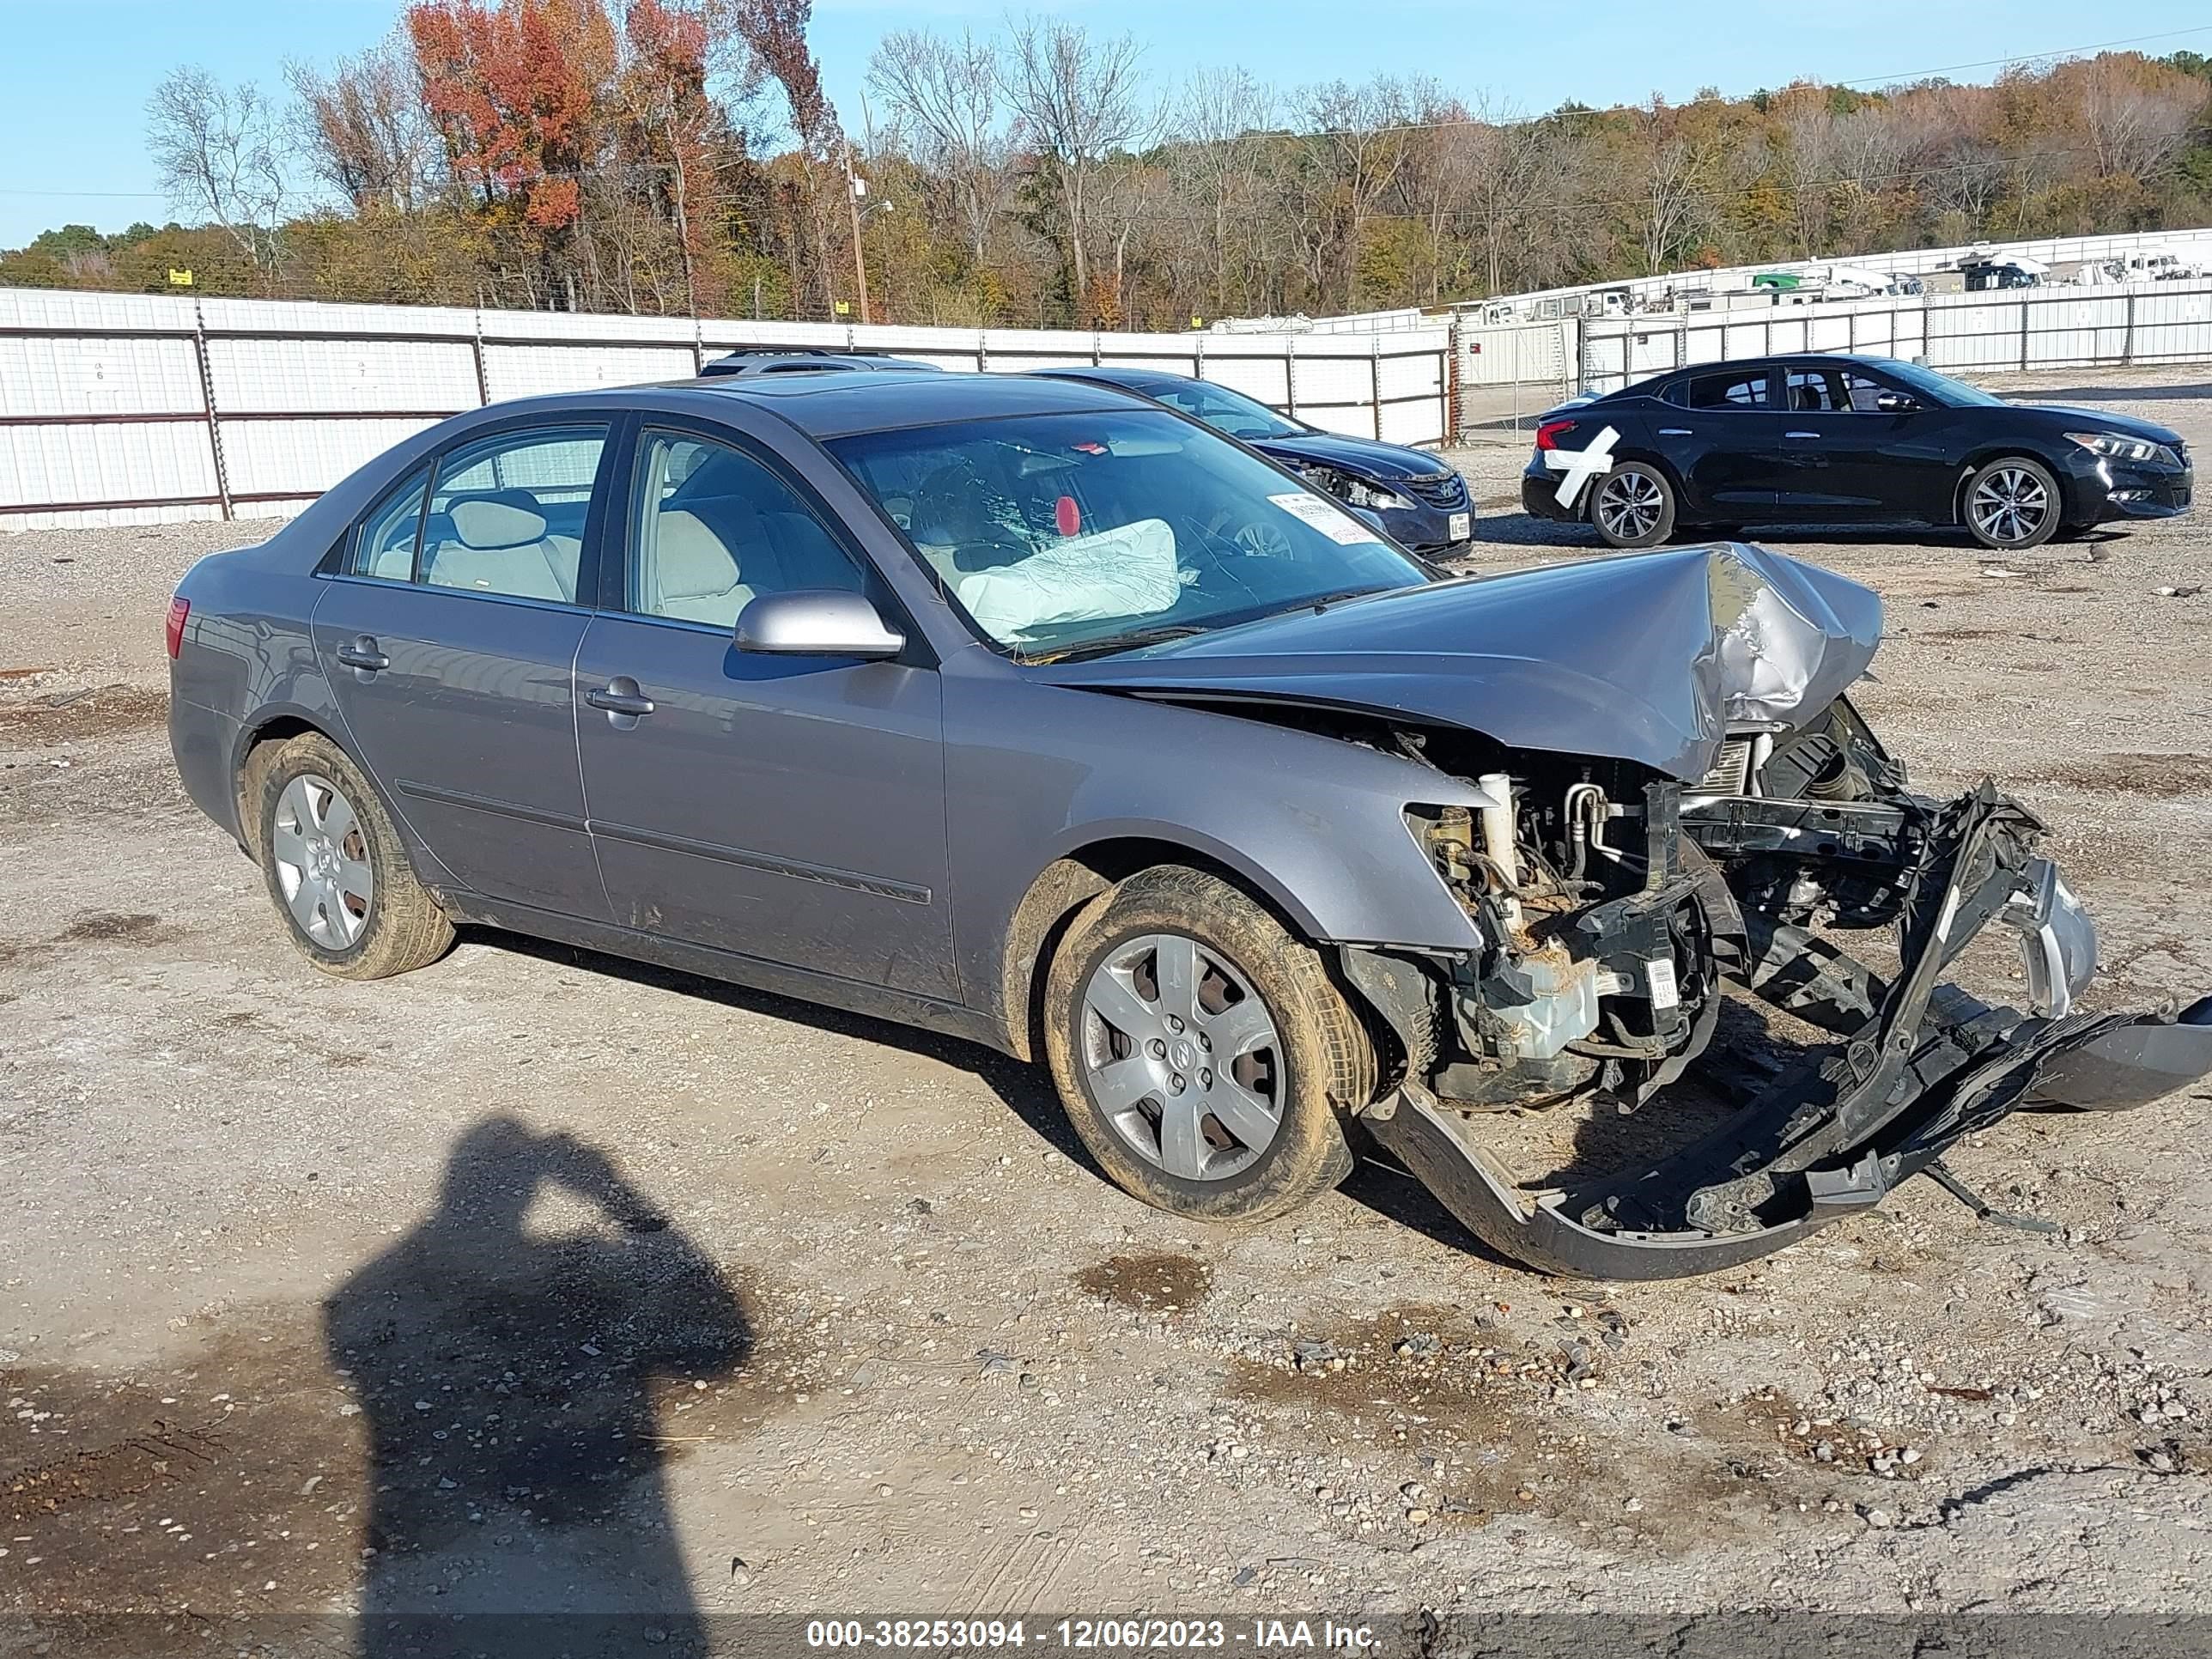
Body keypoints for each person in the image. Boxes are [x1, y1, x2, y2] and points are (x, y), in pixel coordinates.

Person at [325, 1115, 748, 1657]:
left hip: (432, 1563)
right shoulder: (376, 1291)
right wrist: (615, 1195)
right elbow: (725, 1349)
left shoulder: (363, 1292)